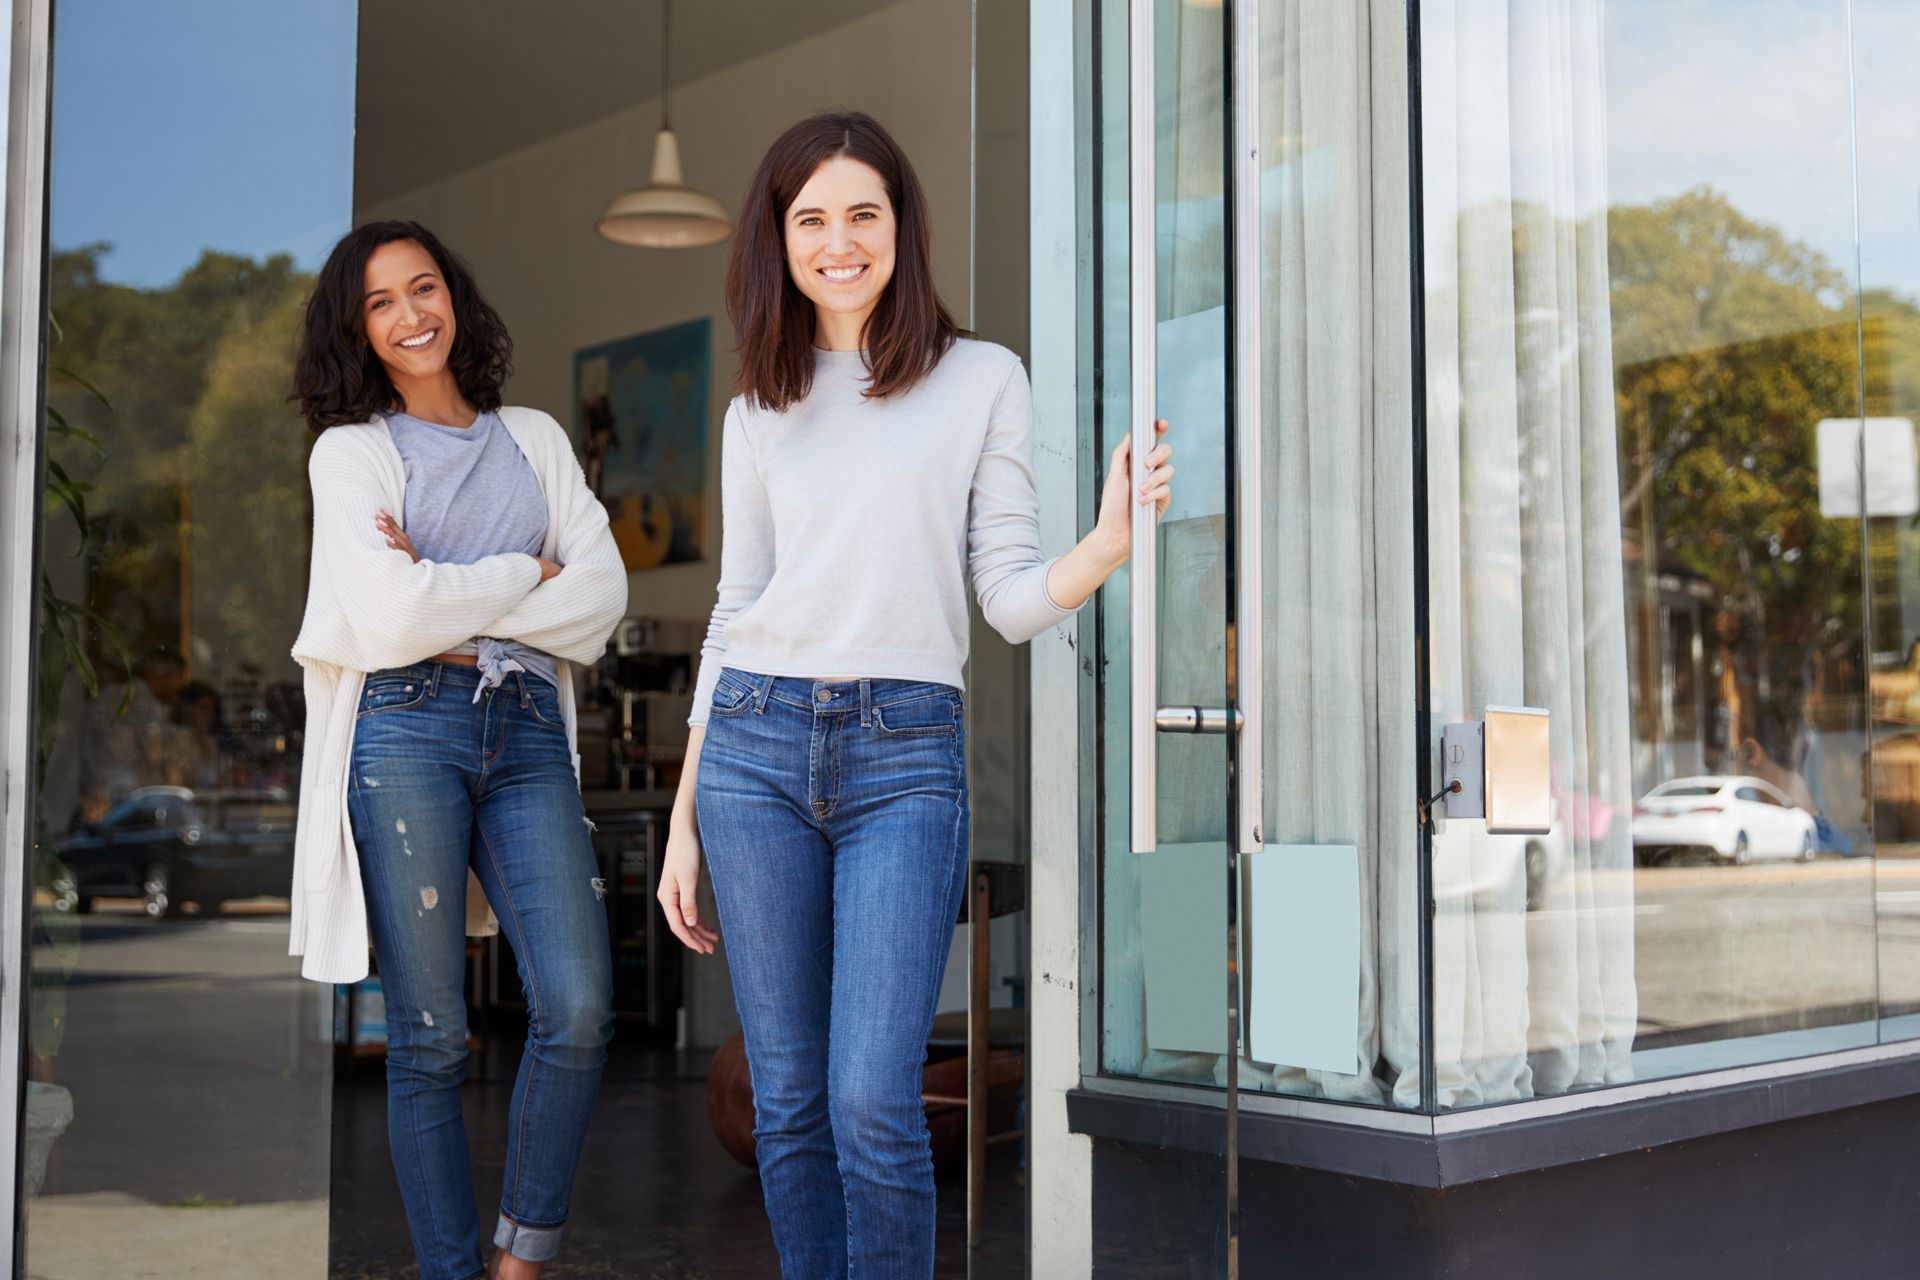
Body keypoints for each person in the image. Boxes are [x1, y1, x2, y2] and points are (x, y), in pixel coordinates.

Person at [657, 112, 1173, 1278]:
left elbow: (1005, 595)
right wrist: (685, 817)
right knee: (786, 1097)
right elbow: (733, 614)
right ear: (777, 239)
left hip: (904, 755)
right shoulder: (758, 405)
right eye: (812, 220)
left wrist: (1102, 546)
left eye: (862, 215)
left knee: (870, 1096)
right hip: (753, 749)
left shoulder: (980, 376)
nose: (839, 243)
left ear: (902, 226)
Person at [288, 220, 628, 1280]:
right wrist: (528, 570)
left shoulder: (531, 437)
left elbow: (606, 597)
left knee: (576, 1004)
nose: (408, 314)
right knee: (430, 1035)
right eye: (379, 303)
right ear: (358, 332)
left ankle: (517, 1262)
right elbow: (389, 623)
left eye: (421, 287)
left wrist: (453, 585)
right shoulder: (350, 454)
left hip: (526, 731)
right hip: (405, 729)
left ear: (454, 296)